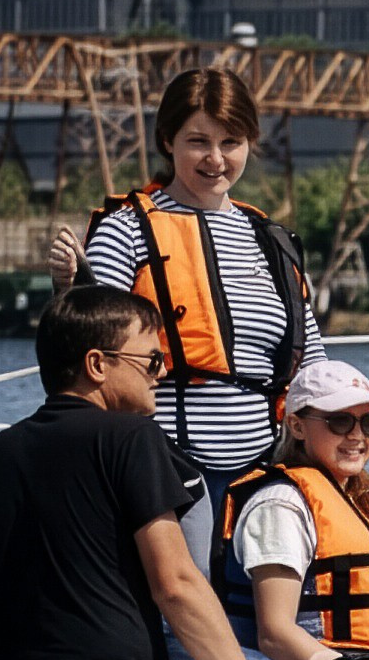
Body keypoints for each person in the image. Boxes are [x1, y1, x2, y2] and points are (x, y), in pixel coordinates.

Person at [0, 288, 350, 660]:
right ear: (97, 365)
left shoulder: (4, 452)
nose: (163, 373)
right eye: (152, 359)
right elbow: (176, 585)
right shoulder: (131, 438)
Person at [55, 66, 320, 559]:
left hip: (263, 465)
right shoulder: (128, 230)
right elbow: (86, 343)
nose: (216, 159)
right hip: (168, 462)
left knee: (252, 615)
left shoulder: (271, 239)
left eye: (231, 142)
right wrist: (66, 290)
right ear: (167, 140)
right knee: (185, 611)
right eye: (198, 141)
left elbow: (313, 355)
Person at [210, 359, 369, 660]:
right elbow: (275, 633)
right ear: (296, 426)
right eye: (339, 422)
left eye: (368, 423)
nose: (356, 436)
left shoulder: (362, 500)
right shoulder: (280, 505)